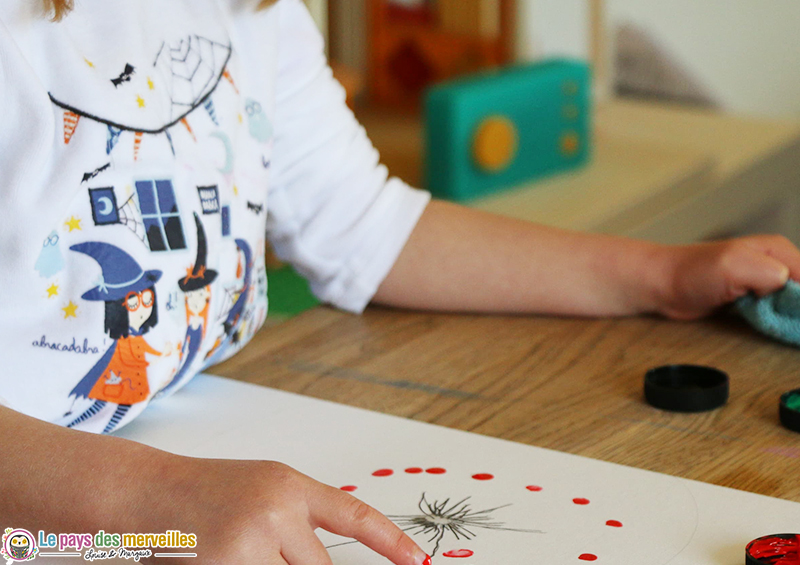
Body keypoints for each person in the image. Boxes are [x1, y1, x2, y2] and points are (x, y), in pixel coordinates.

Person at [2, 0, 800, 563]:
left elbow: (365, 224)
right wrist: (147, 508)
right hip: (51, 528)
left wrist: (659, 273)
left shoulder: (251, 11)